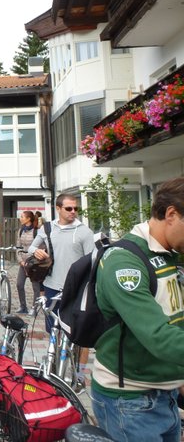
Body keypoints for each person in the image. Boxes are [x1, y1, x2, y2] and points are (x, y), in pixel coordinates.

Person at [91, 177, 184, 441]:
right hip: (130, 403)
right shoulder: (124, 263)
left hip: (165, 394)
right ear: (172, 214)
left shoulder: (170, 254)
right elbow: (158, 336)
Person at [27, 193, 93, 387]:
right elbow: (30, 248)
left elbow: (92, 261)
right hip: (51, 288)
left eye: (76, 209)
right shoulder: (48, 228)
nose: (73, 212)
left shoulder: (84, 232)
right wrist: (36, 251)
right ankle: (55, 366)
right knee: (53, 330)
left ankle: (79, 375)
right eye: (69, 208)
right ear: (58, 208)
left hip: (77, 289)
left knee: (80, 334)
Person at [14, 211, 41, 315]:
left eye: (22, 217)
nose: (20, 218)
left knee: (35, 286)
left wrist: (31, 261)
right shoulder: (20, 231)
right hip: (23, 262)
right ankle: (23, 306)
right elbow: (18, 247)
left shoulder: (36, 231)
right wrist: (20, 261)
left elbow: (39, 248)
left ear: (28, 219)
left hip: (33, 263)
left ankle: (35, 308)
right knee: (19, 284)